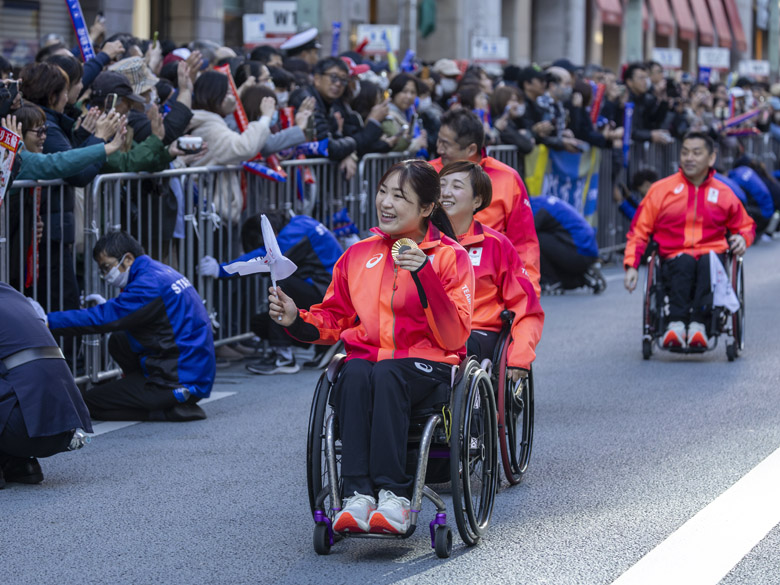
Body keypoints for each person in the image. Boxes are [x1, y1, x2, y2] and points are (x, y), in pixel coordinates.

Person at [269, 160, 473, 535]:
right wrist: (295, 319)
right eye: (383, 192)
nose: (387, 203)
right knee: (355, 372)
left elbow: (455, 335)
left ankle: (394, 496)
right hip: (372, 362)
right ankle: (357, 495)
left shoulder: (449, 257)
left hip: (427, 365)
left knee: (387, 372)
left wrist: (424, 273)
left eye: (400, 196)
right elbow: (334, 317)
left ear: (427, 208)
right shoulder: (357, 255)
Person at [45, 231, 216, 422]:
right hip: (190, 370)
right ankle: (143, 390)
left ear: (127, 259)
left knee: (90, 402)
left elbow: (104, 318)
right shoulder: (158, 271)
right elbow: (129, 314)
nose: (105, 275)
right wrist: (108, 307)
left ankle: (165, 410)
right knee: (119, 340)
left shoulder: (148, 285)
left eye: (106, 267)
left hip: (178, 380)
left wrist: (47, 320)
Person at [624, 132, 756, 349]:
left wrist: (742, 239)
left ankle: (699, 325)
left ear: (711, 158)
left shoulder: (724, 193)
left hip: (712, 257)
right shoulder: (661, 190)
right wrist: (631, 265)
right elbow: (639, 231)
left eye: (696, 153)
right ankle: (675, 323)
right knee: (685, 261)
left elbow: (746, 225)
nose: (689, 158)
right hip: (673, 257)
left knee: (706, 261)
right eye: (685, 152)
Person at [197, 212, 344, 374]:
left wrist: (222, 269)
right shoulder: (302, 222)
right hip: (328, 293)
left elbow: (267, 257)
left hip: (329, 295)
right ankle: (322, 342)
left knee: (280, 285)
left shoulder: (297, 230)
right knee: (259, 323)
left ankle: (283, 357)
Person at [439, 161, 544, 378]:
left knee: (460, 347)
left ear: (477, 200)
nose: (446, 193)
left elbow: (526, 308)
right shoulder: (419, 241)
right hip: (430, 332)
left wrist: (520, 356)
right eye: (441, 185)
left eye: (456, 186)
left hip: (477, 333)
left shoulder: (497, 244)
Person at [429, 108, 542, 297]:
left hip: (490, 291)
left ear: (471, 149)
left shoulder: (507, 178)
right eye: (439, 140)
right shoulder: (427, 174)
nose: (439, 149)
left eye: (446, 144)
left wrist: (529, 292)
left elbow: (524, 243)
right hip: (437, 289)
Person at [0, 283, 92, 488]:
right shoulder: (12, 294)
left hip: (23, 429)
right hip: (64, 427)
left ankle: (16, 456)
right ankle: (20, 464)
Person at [530, 194, 605, 294]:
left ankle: (552, 283)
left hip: (579, 251)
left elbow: (525, 238)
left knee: (535, 241)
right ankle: (583, 277)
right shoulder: (540, 201)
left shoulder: (534, 209)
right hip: (585, 250)